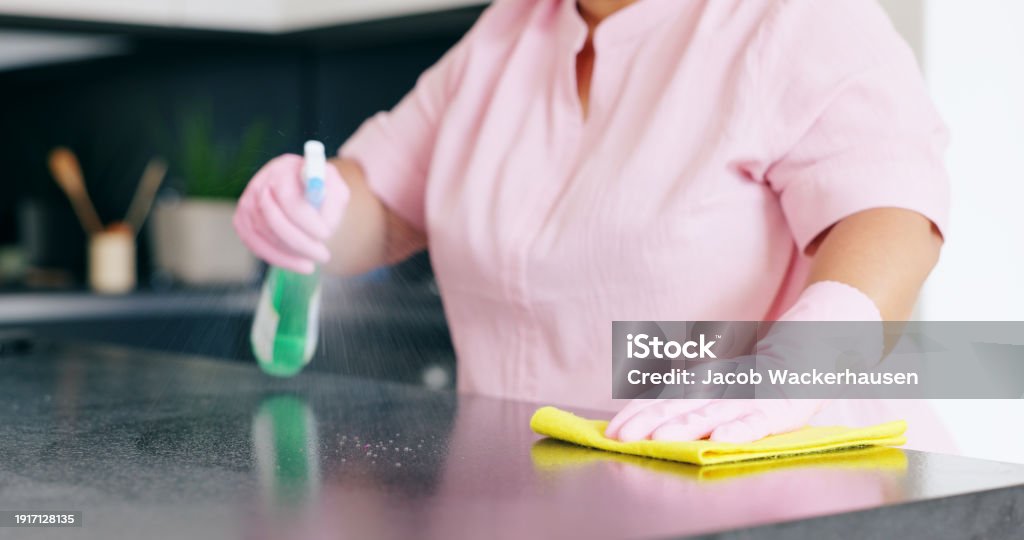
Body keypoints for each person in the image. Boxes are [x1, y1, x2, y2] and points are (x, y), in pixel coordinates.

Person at [234, 0, 956, 452]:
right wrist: (316, 207)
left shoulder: (790, 18)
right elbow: (385, 207)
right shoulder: (506, 35)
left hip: (785, 487)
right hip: (554, 487)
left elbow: (889, 211)